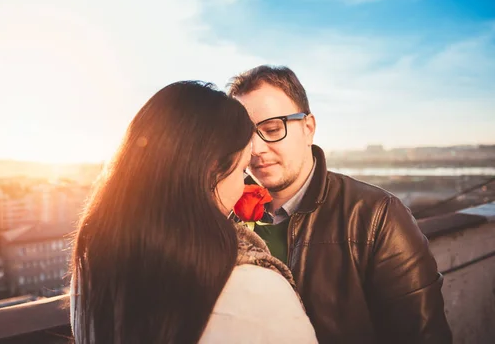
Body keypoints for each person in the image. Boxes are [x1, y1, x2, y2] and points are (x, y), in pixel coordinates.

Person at [70, 81, 317, 343]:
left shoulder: (90, 272)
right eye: (241, 171)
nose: (244, 186)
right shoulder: (256, 289)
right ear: (209, 171)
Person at [227, 65, 452, 344]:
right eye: (244, 136)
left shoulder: (377, 217)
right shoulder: (225, 216)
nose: (256, 149)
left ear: (308, 128)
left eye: (272, 129)